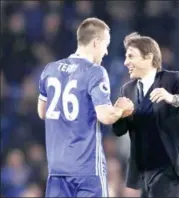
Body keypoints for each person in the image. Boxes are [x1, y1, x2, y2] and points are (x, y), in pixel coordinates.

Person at [37, 18, 133, 197]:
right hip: (86, 168)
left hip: (57, 168)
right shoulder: (95, 72)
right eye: (105, 45)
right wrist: (121, 109)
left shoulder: (50, 69)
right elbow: (105, 116)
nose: (105, 52)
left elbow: (42, 112)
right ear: (96, 42)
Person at [112, 32, 179, 197]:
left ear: (148, 57)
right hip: (146, 169)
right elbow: (119, 131)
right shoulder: (127, 89)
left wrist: (173, 98)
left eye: (131, 57)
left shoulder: (173, 79)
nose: (126, 62)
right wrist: (120, 114)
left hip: (172, 164)